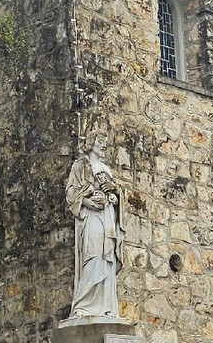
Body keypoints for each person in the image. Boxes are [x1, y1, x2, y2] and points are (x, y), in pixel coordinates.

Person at [65, 131, 123, 318]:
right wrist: (88, 201)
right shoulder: (81, 165)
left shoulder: (107, 169)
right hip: (90, 216)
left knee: (107, 259)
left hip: (107, 216)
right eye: (100, 141)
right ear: (91, 143)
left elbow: (116, 195)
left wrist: (115, 194)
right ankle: (84, 304)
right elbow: (71, 192)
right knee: (93, 255)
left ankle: (106, 306)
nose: (104, 145)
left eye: (106, 142)